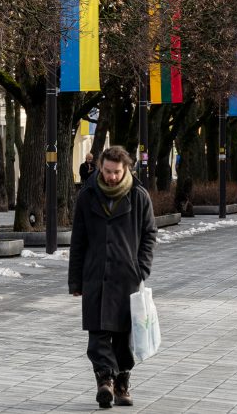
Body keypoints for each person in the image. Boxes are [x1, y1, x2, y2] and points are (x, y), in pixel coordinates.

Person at [68, 145, 157, 409]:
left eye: (116, 172)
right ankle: (104, 380)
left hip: (126, 277)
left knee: (122, 337)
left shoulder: (138, 196)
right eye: (107, 171)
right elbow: (78, 240)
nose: (111, 177)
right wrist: (75, 281)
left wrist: (141, 268)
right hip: (94, 274)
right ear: (100, 167)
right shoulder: (88, 195)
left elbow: (150, 234)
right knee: (96, 336)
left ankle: (121, 384)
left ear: (125, 169)